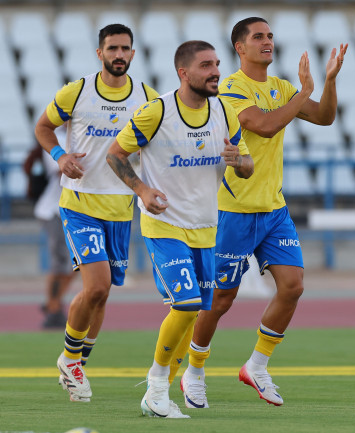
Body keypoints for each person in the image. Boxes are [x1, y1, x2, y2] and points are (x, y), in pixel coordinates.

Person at [183, 16, 347, 408]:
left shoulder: (282, 88)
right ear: (240, 47)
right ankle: (194, 371)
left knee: (293, 286)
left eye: (270, 36)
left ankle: (257, 366)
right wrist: (303, 93)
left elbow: (325, 117)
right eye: (259, 37)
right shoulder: (231, 88)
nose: (268, 41)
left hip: (273, 210)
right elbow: (264, 125)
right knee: (220, 299)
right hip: (233, 211)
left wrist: (328, 82)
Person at [107, 40, 253, 419]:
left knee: (194, 312)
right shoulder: (157, 112)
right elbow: (115, 154)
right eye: (206, 65)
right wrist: (142, 190)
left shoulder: (225, 111)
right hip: (164, 224)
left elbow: (246, 164)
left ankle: (160, 393)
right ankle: (156, 387)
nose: (216, 71)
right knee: (186, 304)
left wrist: (239, 161)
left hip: (206, 227)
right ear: (183, 73)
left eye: (217, 64)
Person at [33, 24, 159, 402]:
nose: (119, 54)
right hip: (80, 204)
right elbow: (43, 127)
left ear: (133, 53)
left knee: (101, 296)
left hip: (120, 209)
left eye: (125, 48)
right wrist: (60, 156)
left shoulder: (148, 98)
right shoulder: (77, 91)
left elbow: (162, 144)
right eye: (112, 48)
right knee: (97, 286)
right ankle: (70, 361)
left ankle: (77, 364)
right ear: (100, 53)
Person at [24, 125, 76, 328]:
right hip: (54, 210)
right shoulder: (57, 138)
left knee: (79, 262)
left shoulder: (78, 135)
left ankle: (53, 303)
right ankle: (54, 308)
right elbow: (61, 170)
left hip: (72, 210)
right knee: (61, 261)